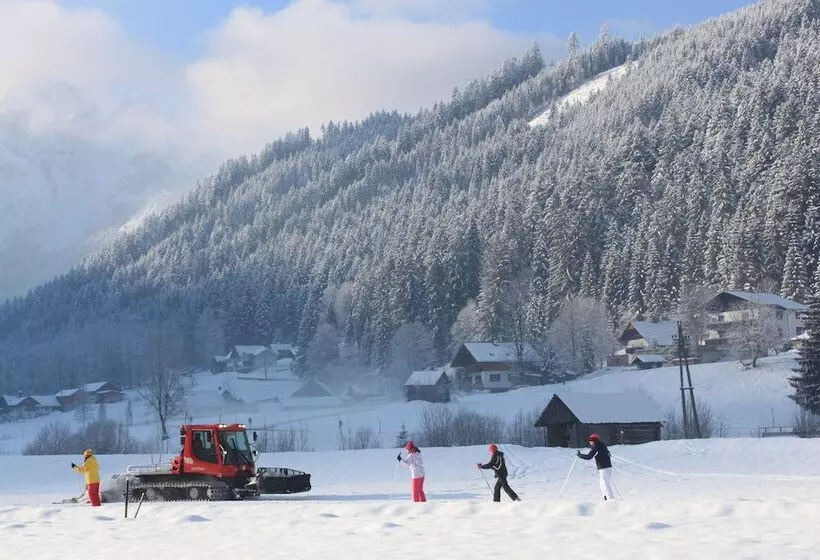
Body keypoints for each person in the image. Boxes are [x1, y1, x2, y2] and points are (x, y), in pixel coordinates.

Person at [576, 434, 615, 501]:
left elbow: (589, 457)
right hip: (607, 467)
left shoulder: (596, 447)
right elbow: (608, 453)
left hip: (603, 468)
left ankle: (611, 500)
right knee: (602, 484)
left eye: (590, 441)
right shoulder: (602, 444)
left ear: (593, 441)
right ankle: (606, 498)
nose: (589, 442)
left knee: (605, 484)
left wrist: (580, 455)